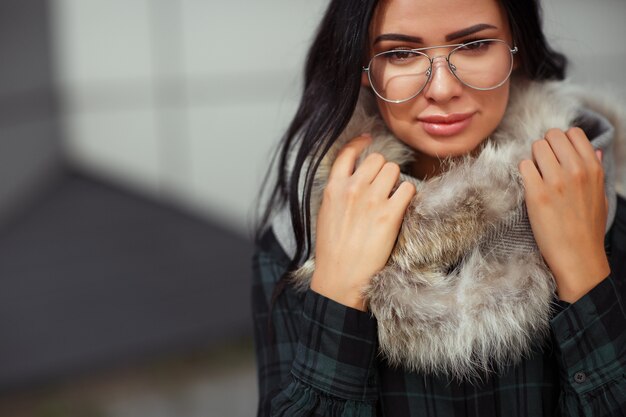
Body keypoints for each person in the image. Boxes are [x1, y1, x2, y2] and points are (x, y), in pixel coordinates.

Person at [251, 0, 626, 415]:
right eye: (400, 53)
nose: (443, 88)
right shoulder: (301, 236)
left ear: (515, 47)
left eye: (475, 45)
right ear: (362, 65)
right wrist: (338, 291)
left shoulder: (597, 205)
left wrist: (585, 267)